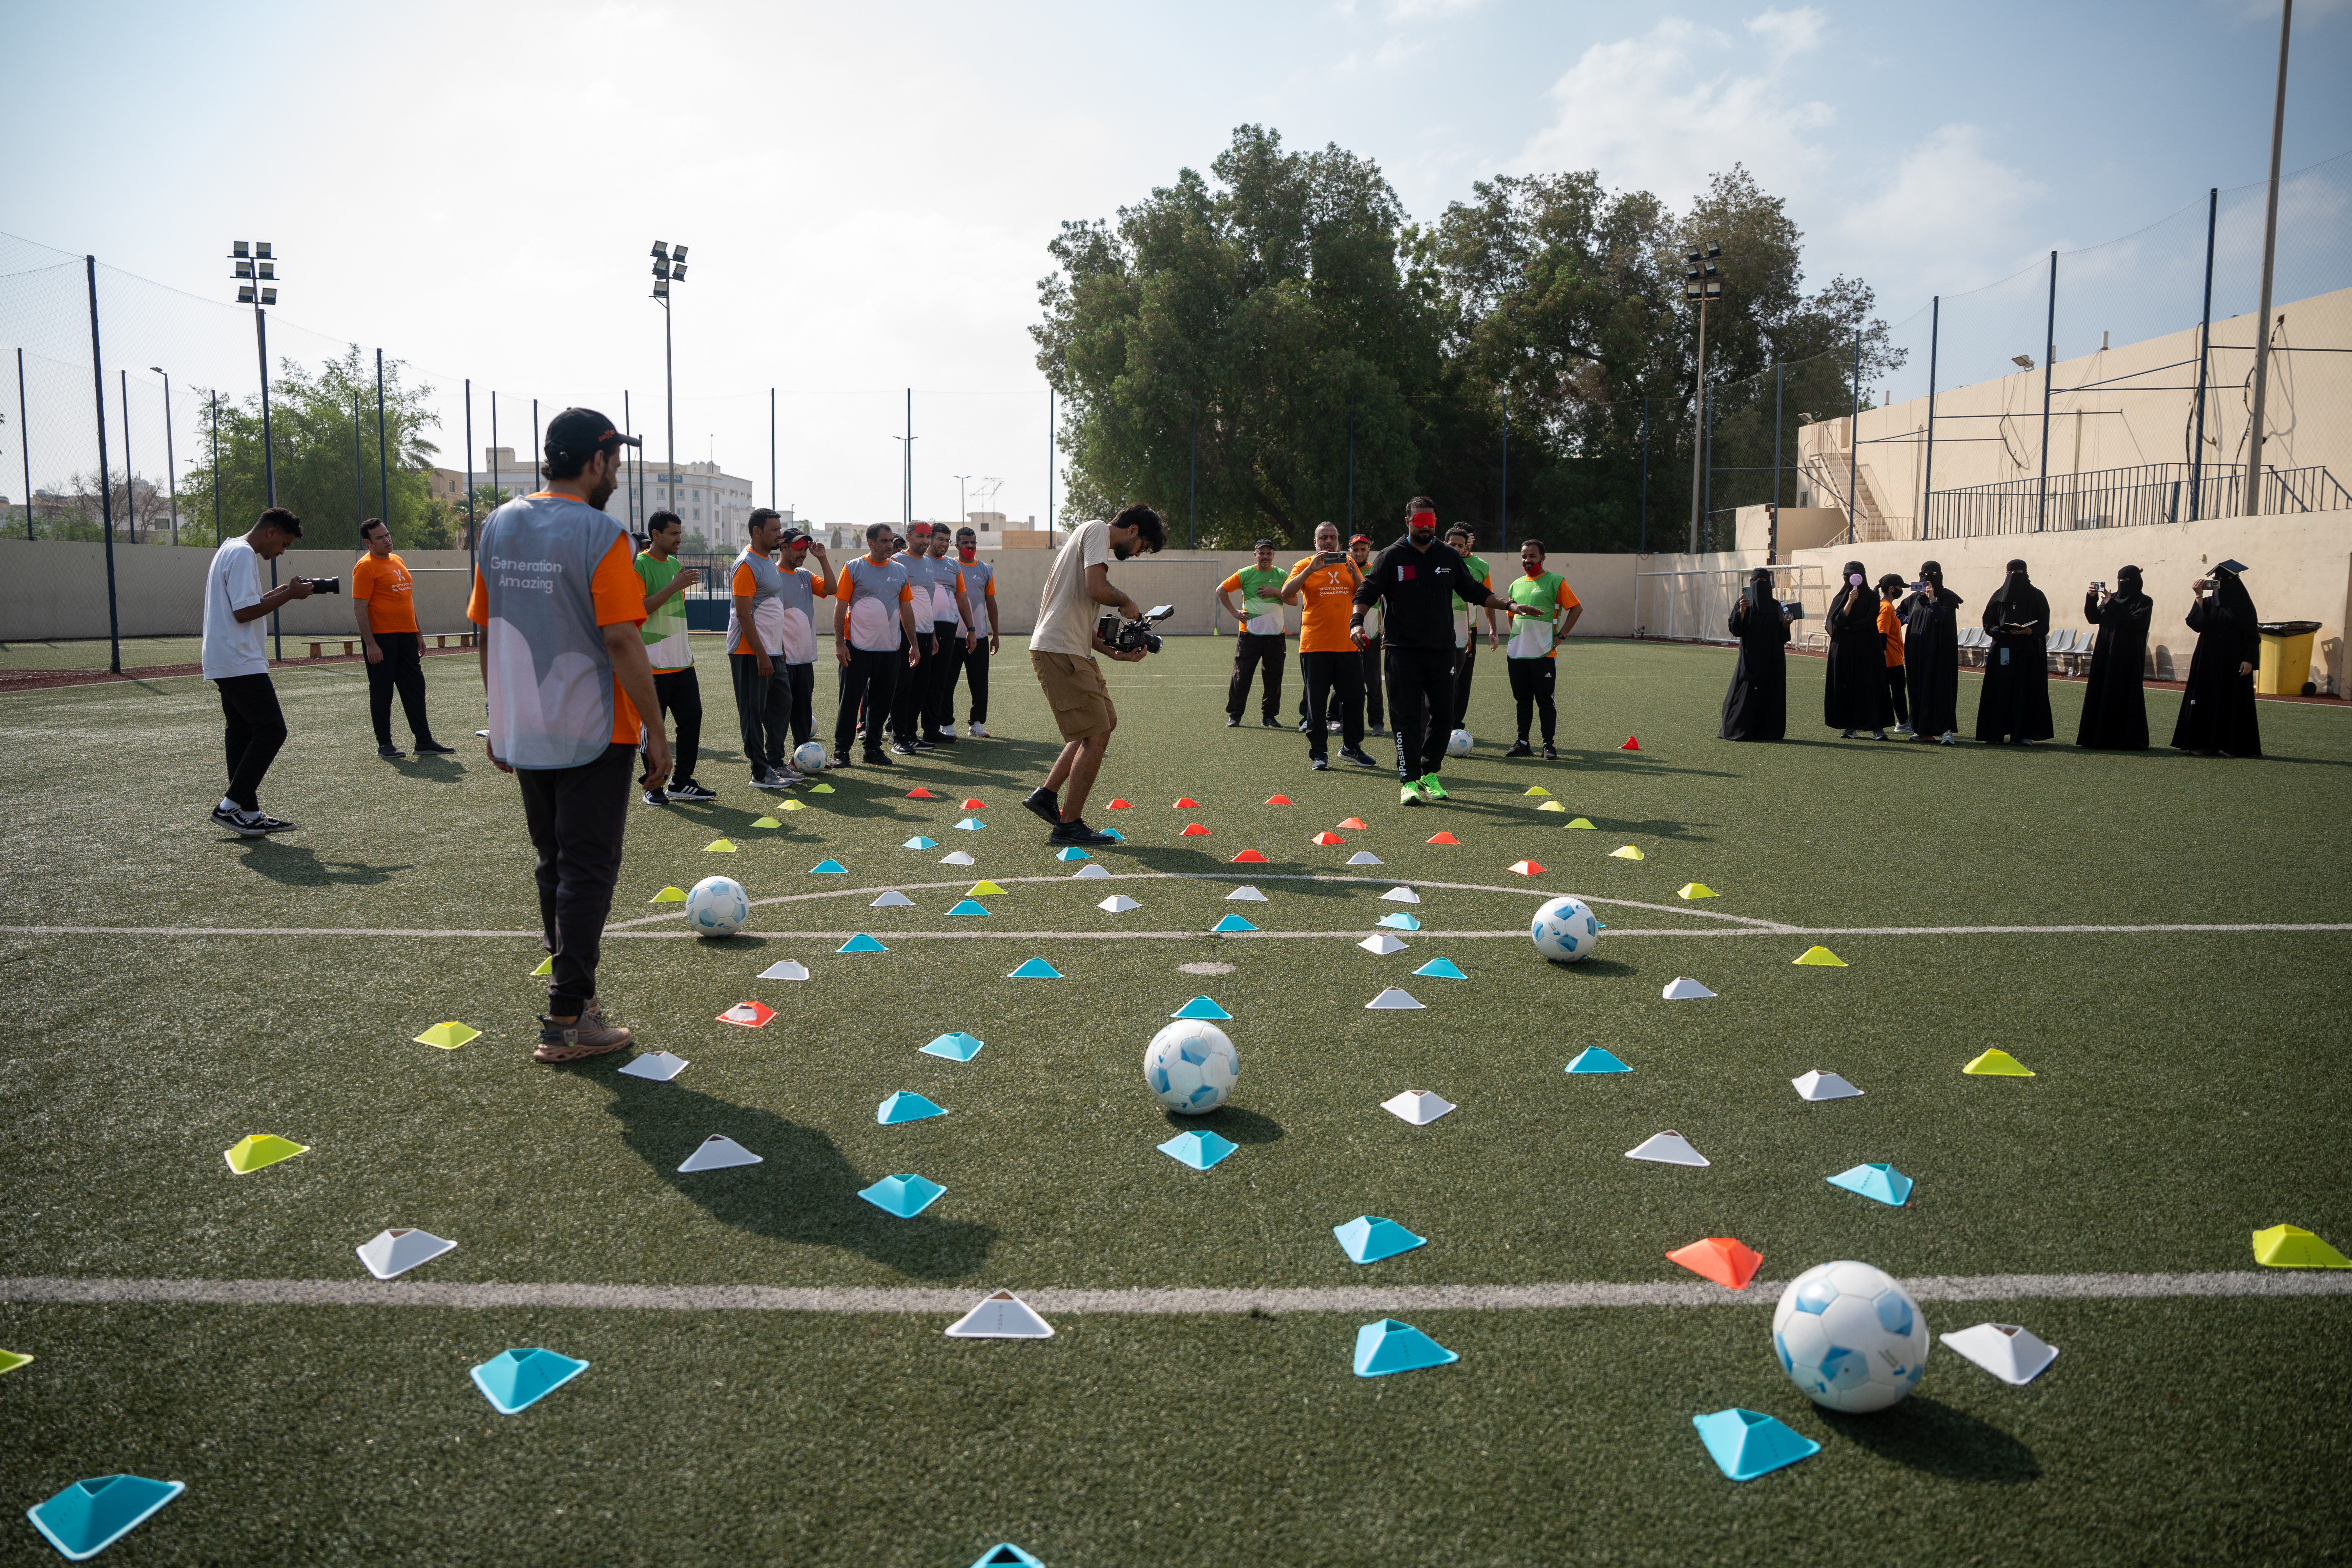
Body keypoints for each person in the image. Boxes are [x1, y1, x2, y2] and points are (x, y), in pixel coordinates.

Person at [467, 407, 662, 1062]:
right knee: (587, 867)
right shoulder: (602, 532)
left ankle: (576, 1001)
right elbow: (620, 636)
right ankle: (566, 1016)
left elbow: (487, 627)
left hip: (526, 723)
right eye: (615, 460)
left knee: (554, 862)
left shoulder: (498, 523)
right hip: (592, 726)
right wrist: (656, 732)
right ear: (598, 459)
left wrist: (499, 713)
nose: (616, 473)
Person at [1351, 497, 1541, 806]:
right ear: (1408, 521)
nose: (1425, 527)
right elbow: (1366, 591)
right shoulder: (1391, 556)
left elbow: (1474, 591)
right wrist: (1357, 623)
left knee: (1444, 714)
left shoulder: (1447, 556)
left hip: (1442, 651)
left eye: (1430, 522)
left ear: (1436, 523)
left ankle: (1429, 772)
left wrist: (1510, 605)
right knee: (1407, 717)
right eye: (1419, 522)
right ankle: (1409, 780)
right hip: (1403, 651)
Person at [1020, 503, 1166, 842]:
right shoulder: (1098, 529)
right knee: (1096, 732)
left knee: (1104, 722)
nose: (1139, 553)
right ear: (1132, 530)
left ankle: (1046, 795)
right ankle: (1068, 825)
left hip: (1072, 649)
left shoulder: (1086, 534)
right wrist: (1126, 602)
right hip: (1060, 650)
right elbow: (1097, 588)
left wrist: (1113, 652)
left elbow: (1083, 619)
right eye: (1142, 546)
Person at [202, 506, 314, 835]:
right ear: (271, 532)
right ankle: (229, 806)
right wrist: (291, 595)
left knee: (242, 731)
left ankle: (248, 812)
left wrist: (281, 591)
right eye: (285, 544)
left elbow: (244, 602)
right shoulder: (244, 554)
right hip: (240, 659)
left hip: (225, 658)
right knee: (271, 730)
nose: (281, 552)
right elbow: (244, 612)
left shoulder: (229, 548)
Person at [630, 510, 714, 805]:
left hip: (682, 661)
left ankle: (681, 782)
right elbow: (638, 610)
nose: (680, 539)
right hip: (651, 663)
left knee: (692, 718)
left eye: (680, 533)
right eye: (674, 534)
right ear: (655, 535)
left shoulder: (675, 564)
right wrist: (674, 586)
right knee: (652, 728)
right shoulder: (639, 565)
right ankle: (652, 786)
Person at [1280, 521, 1377, 771]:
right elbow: (1286, 593)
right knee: (1317, 702)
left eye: (1332, 537)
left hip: (1348, 644)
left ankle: (1351, 748)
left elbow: (1365, 594)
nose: (1328, 541)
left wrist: (1355, 574)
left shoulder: (1349, 562)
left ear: (1339, 541)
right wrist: (1310, 571)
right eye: (1323, 537)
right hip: (1315, 646)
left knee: (1356, 698)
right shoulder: (1303, 565)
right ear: (1315, 542)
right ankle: (1318, 753)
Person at [353, 518, 453, 760]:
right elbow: (359, 608)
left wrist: (417, 632)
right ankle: (385, 744)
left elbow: (407, 601)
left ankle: (424, 741)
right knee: (382, 691)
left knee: (415, 688)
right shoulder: (365, 567)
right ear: (368, 542)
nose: (387, 540)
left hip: (406, 636)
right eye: (380, 538)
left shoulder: (397, 560)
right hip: (382, 639)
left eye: (387, 535)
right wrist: (371, 644)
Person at [833, 523, 921, 766]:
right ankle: (841, 751)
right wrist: (840, 644)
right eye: (883, 541)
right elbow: (840, 607)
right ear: (870, 543)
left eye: (891, 541)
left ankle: (872, 749)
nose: (889, 546)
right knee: (849, 701)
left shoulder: (901, 571)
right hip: (857, 648)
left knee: (881, 702)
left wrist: (913, 644)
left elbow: (906, 609)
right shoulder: (853, 568)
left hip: (890, 649)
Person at [727, 508, 794, 788]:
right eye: (774, 530)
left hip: (772, 651)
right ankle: (759, 772)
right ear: (757, 532)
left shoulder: (767, 561)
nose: (780, 534)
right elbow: (744, 615)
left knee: (782, 703)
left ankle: (775, 761)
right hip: (750, 653)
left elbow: (771, 610)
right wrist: (762, 654)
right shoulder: (746, 565)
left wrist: (777, 648)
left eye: (780, 529)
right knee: (754, 712)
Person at [2171, 559, 2263, 757]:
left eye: (2225, 580)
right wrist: (2199, 596)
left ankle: (2228, 745)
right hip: (2208, 660)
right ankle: (2201, 744)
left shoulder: (2244, 606)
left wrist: (2249, 659)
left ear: (2235, 581)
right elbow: (2197, 625)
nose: (2220, 583)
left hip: (2235, 661)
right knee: (2204, 698)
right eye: (2217, 580)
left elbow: (2252, 635)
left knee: (2231, 700)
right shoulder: (2210, 602)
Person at [1499, 540, 1582, 759]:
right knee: (1523, 701)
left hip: (1544, 653)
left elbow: (1576, 608)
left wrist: (1561, 636)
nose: (1528, 561)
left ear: (1543, 558)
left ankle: (1548, 745)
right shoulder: (1515, 584)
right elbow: (1511, 614)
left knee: (1545, 700)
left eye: (1533, 556)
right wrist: (1515, 640)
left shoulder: (1556, 581)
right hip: (1517, 655)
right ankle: (1523, 743)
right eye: (1524, 557)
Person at [1975, 559, 2054, 745]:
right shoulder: (1998, 596)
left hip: (2029, 651)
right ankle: (1995, 733)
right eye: (2011, 574)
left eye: (2018, 574)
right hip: (2004, 649)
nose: (2014, 578)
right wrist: (2000, 631)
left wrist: (2030, 631)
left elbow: (2045, 624)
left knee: (2026, 690)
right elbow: (1988, 623)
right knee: (2000, 689)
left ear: (2026, 574)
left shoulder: (2037, 596)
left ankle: (2024, 734)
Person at [2078, 565, 2152, 750]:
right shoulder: (2111, 599)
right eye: (2120, 580)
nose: (2122, 584)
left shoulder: (2144, 601)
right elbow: (2093, 618)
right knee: (2101, 691)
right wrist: (2092, 598)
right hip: (2105, 653)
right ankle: (2098, 738)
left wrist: (2111, 603)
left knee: (2125, 694)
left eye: (2126, 581)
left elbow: (2133, 623)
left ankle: (2127, 740)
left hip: (2127, 656)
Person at [1218, 540, 1288, 728]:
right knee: (1241, 676)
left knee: (1274, 677)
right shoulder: (1245, 574)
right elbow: (1221, 590)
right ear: (1255, 555)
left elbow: (1294, 600)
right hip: (1249, 634)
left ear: (1274, 555)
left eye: (1269, 553)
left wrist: (1276, 591)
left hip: (1275, 635)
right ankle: (1235, 715)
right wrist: (1235, 612)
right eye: (1262, 553)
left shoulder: (1282, 575)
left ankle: (1269, 717)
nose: (1265, 556)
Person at [1718, 566, 1792, 741]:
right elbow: (1736, 630)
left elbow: (1783, 638)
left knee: (1771, 694)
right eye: (1755, 581)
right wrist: (1743, 611)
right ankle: (1739, 730)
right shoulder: (1743, 602)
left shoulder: (1776, 606)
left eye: (1763, 582)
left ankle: (1768, 732)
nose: (1759, 585)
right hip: (1751, 658)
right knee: (1746, 695)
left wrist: (1786, 626)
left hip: (1774, 659)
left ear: (1770, 585)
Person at [888, 522, 944, 753]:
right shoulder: (897, 561)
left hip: (924, 632)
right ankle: (898, 736)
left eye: (928, 536)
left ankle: (911, 734)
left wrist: (931, 633)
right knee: (904, 686)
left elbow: (927, 601)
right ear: (909, 537)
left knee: (920, 686)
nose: (925, 540)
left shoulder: (929, 563)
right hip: (904, 633)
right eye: (921, 536)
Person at [1896, 562, 1964, 745]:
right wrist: (1910, 619)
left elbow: (1943, 619)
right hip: (1917, 654)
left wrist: (1933, 599)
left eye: (1932, 575)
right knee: (1918, 690)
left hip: (1940, 653)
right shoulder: (1913, 598)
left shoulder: (1948, 597)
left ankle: (1946, 731)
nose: (1927, 579)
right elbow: (1899, 613)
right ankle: (1923, 731)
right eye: (1924, 575)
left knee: (1941, 690)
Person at [1823, 560, 1890, 740]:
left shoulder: (1872, 596)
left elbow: (1870, 620)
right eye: (1847, 576)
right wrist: (1850, 602)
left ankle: (1877, 726)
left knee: (1870, 684)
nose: (1851, 580)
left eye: (1855, 576)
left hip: (1868, 647)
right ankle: (1850, 726)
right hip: (1844, 649)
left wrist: (1849, 628)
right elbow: (1837, 622)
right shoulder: (1842, 597)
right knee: (1847, 685)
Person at [920, 525, 974, 745]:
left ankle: (932, 729)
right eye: (940, 539)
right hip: (923, 627)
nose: (944, 544)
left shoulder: (953, 565)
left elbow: (961, 599)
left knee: (939, 680)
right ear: (929, 539)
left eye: (947, 540)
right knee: (917, 680)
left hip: (949, 627)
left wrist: (971, 630)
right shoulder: (918, 562)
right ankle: (899, 729)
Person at [945, 525, 999, 736]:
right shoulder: (949, 567)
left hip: (980, 636)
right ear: (957, 545)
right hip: (952, 635)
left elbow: (991, 603)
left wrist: (995, 634)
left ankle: (976, 724)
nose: (970, 546)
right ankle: (946, 724)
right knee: (947, 682)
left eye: (973, 543)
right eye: (966, 543)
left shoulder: (986, 570)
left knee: (979, 682)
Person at [1446, 522, 1497, 731]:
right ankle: (1440, 723)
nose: (1461, 547)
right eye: (1456, 543)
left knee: (1463, 681)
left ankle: (1456, 725)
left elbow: (1485, 599)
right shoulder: (1439, 561)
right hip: (1442, 628)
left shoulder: (1481, 566)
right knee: (1443, 679)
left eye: (1466, 541)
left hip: (1468, 631)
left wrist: (1493, 629)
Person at [1350, 533, 1386, 735]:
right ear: (1350, 551)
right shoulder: (1343, 569)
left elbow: (1383, 602)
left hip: (1371, 635)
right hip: (1348, 637)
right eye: (1355, 549)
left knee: (1373, 682)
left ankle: (1377, 722)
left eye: (1363, 549)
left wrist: (1385, 630)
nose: (1359, 553)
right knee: (1346, 682)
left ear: (1369, 551)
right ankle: (1337, 718)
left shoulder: (1376, 571)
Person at [1875, 574, 1912, 737]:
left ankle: (1903, 721)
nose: (1900, 591)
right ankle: (1904, 722)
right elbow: (1882, 633)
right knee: (1898, 690)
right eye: (1899, 588)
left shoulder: (1886, 606)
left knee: (1897, 690)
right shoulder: (1887, 607)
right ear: (1891, 589)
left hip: (1893, 657)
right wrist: (1883, 656)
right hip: (1891, 659)